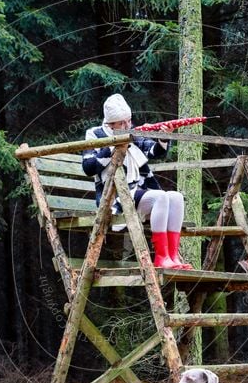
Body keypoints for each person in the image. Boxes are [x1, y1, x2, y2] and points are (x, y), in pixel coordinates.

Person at [82, 94, 192, 270]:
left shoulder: (131, 132)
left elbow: (154, 152)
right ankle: (161, 257)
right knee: (160, 198)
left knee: (176, 197)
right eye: (122, 123)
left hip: (138, 192)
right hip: (114, 197)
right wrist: (114, 144)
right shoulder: (95, 134)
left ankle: (172, 256)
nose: (128, 126)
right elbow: (88, 167)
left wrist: (163, 137)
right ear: (111, 124)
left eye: (129, 121)